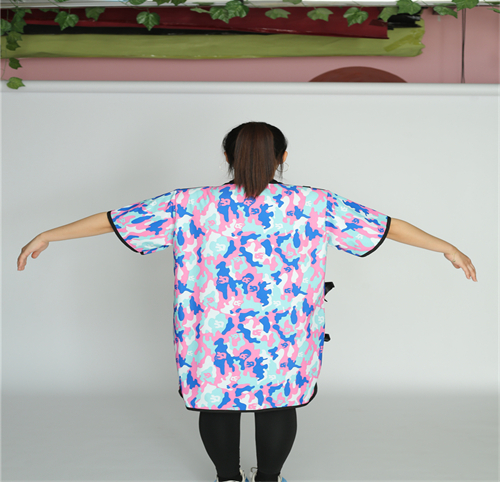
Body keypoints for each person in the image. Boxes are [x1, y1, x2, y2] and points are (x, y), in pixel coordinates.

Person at [17, 122, 477, 482]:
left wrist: (49, 234)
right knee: (279, 402)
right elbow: (386, 226)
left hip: (211, 331)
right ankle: (270, 478)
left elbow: (113, 220)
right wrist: (446, 247)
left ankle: (227, 478)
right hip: (285, 331)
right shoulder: (314, 204)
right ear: (283, 158)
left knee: (217, 403)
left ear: (227, 157)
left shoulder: (189, 203)